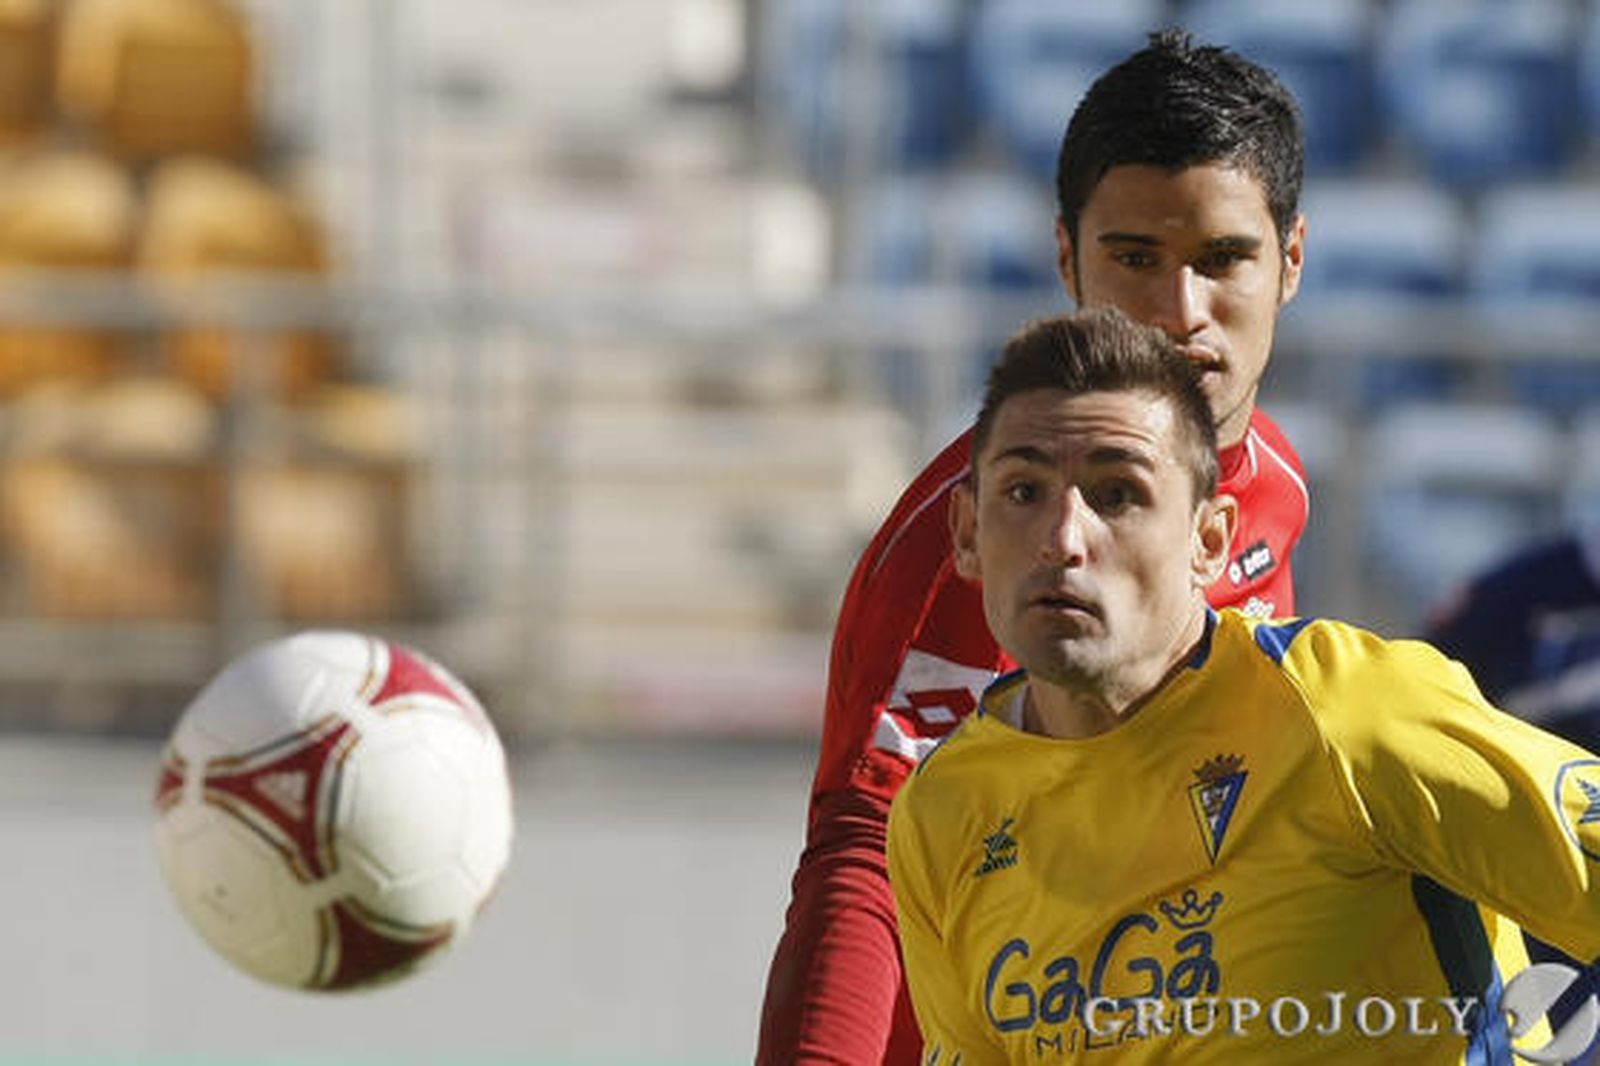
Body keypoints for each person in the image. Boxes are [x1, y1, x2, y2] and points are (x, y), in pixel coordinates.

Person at [758, 31, 1310, 1064]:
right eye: (1134, 258)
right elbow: (867, 855)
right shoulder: (977, 541)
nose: (1180, 312)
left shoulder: (1275, 487)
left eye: (1222, 259)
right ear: (1067, 259)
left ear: (1290, 260)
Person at [887, 307, 1600, 1063]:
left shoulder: (1349, 710)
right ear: (966, 533)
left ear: (1210, 540)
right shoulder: (942, 814)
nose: (1063, 539)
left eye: (1118, 494)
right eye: (1024, 492)